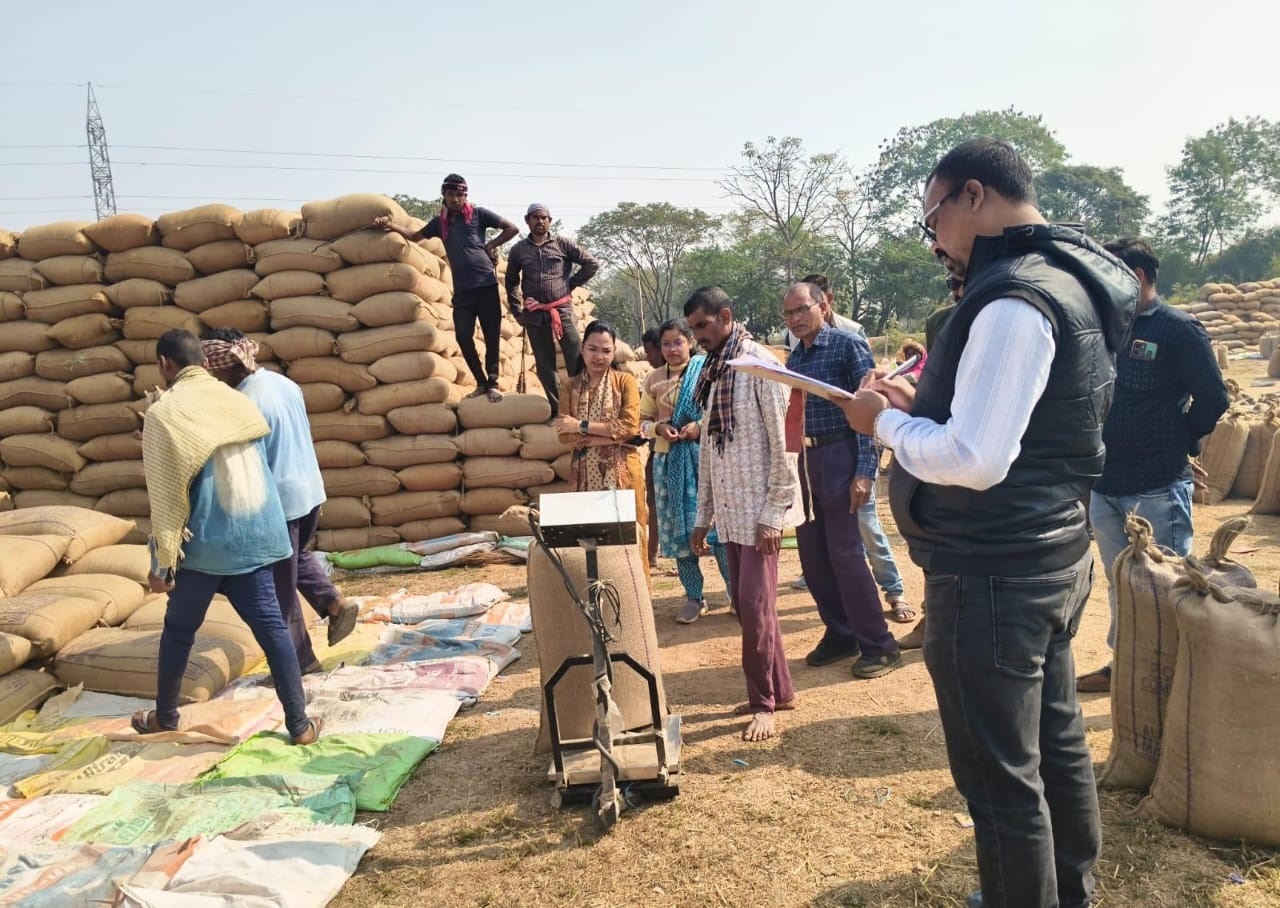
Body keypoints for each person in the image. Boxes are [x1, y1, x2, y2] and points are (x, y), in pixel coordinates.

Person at [838, 138, 1137, 907]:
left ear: (973, 195)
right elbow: (1021, 424)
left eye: (933, 218)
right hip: (1047, 552)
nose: (933, 239)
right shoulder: (1065, 278)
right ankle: (1068, 892)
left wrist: (880, 424)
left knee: (999, 776)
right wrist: (921, 408)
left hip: (995, 572)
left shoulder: (1012, 300)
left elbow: (975, 458)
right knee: (1055, 744)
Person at [135, 329, 319, 745]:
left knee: (179, 630)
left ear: (164, 364)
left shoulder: (164, 413)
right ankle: (300, 725)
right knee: (272, 629)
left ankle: (166, 717)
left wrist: (162, 564)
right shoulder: (238, 400)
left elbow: (165, 496)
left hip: (204, 546)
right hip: (255, 536)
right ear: (203, 361)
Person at [1075, 238, 1229, 694]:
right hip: (1106, 485)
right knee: (1121, 582)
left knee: (1168, 584)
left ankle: (1175, 678)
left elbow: (1213, 397)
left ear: (1137, 277)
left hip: (1157, 486)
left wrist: (1181, 442)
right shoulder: (1106, 331)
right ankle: (1125, 664)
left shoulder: (1178, 329)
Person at [200, 328, 360, 672]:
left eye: (214, 372)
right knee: (297, 556)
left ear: (224, 365)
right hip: (309, 491)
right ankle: (334, 603)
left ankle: (300, 663)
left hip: (279, 505)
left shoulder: (243, 402)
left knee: (277, 588)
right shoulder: (282, 383)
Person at [684, 286, 796, 743]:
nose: (697, 336)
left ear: (726, 316)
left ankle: (762, 703)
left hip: (758, 515)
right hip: (730, 515)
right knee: (755, 609)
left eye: (703, 326)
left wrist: (773, 513)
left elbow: (784, 446)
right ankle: (780, 691)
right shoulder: (715, 370)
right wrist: (703, 515)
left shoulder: (759, 365)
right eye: (693, 329)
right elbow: (710, 451)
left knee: (753, 609)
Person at [783, 282, 903, 678]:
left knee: (847, 555)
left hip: (840, 454)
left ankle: (880, 645)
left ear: (823, 306)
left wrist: (865, 472)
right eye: (789, 313)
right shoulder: (795, 358)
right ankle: (840, 632)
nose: (796, 319)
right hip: (806, 460)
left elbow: (870, 412)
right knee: (813, 555)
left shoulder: (847, 345)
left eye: (802, 309)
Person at [375, 174, 519, 402]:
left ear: (465, 195)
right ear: (443, 195)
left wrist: (489, 246)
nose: (455, 199)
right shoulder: (439, 224)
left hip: (486, 286)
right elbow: (414, 236)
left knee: (492, 337)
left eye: (459, 195)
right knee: (463, 336)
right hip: (462, 291)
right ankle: (481, 382)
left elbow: (512, 228)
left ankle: (492, 384)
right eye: (450, 194)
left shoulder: (479, 215)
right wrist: (390, 225)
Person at [640, 318, 732, 623]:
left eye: (678, 342)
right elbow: (641, 422)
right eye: (666, 344)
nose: (672, 349)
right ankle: (694, 597)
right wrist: (658, 428)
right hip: (668, 464)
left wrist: (699, 426)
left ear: (689, 342)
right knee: (680, 535)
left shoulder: (707, 369)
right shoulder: (653, 379)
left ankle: (736, 594)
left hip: (705, 459)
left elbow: (723, 409)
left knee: (717, 531)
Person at [552, 321, 648, 563]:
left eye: (606, 351)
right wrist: (610, 437)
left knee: (630, 537)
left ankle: (633, 587)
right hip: (582, 475)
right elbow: (564, 434)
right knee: (589, 539)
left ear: (614, 352)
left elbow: (629, 426)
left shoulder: (625, 382)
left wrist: (581, 427)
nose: (599, 357)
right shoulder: (569, 386)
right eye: (593, 349)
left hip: (623, 472)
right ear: (582, 349)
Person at [503, 203, 599, 419]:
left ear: (550, 221)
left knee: (576, 359)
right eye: (535, 217)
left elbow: (591, 264)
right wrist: (517, 311)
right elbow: (511, 282)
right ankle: (559, 410)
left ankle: (581, 407)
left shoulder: (562, 244)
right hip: (534, 314)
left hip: (562, 311)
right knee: (545, 365)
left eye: (544, 218)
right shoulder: (519, 250)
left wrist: (570, 284)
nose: (540, 221)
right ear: (527, 220)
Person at [640, 327, 664, 569]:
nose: (648, 358)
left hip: (675, 450)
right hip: (656, 449)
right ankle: (651, 553)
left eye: (650, 352)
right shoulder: (653, 380)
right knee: (655, 504)